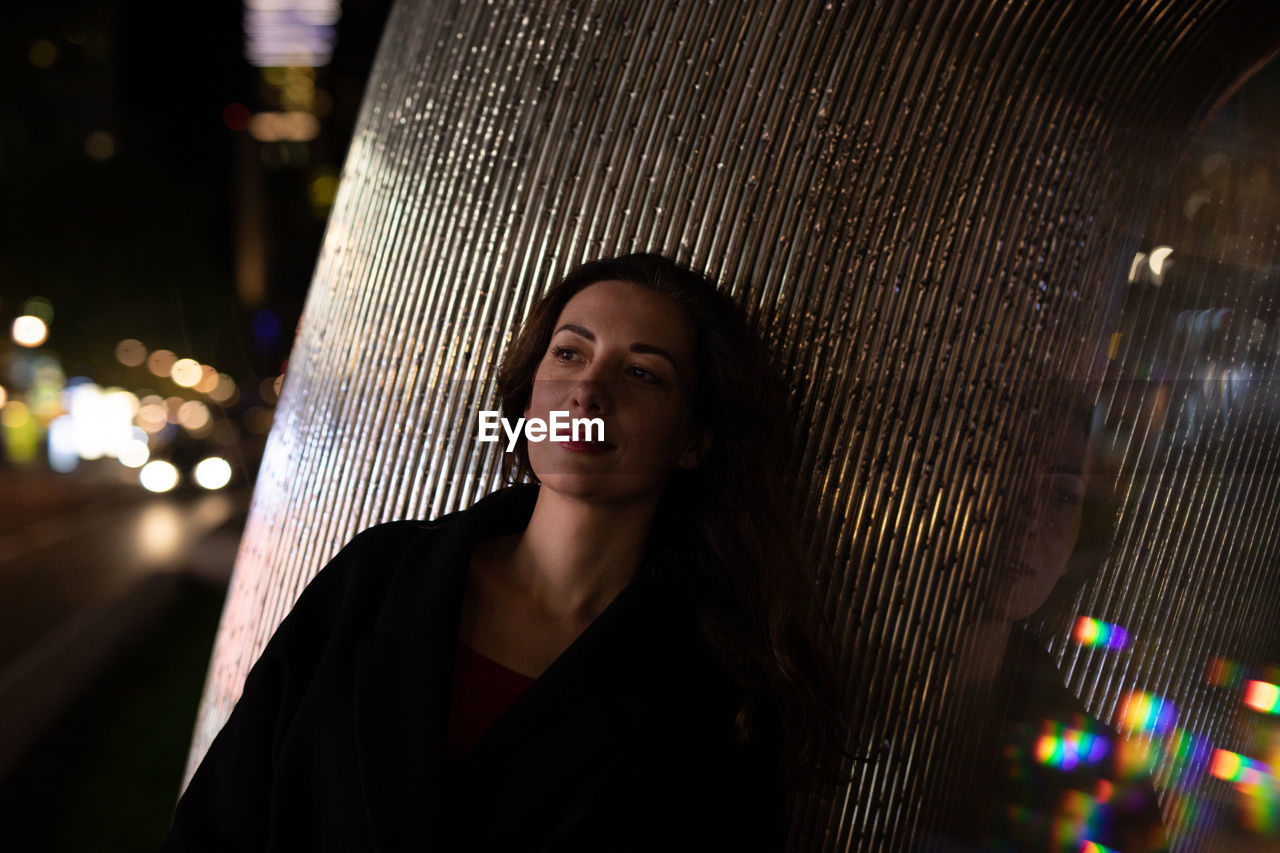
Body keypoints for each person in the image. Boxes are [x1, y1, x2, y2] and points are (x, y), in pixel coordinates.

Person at [160, 253, 846, 851]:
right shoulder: (377, 575)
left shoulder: (720, 690)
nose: (587, 391)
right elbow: (219, 822)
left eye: (643, 373)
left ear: (695, 439)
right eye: (570, 352)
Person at [920, 390, 1168, 852]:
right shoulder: (827, 699)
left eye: (1060, 495)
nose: (1028, 518)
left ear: (1082, 535)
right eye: (999, 477)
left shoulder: (1101, 775)